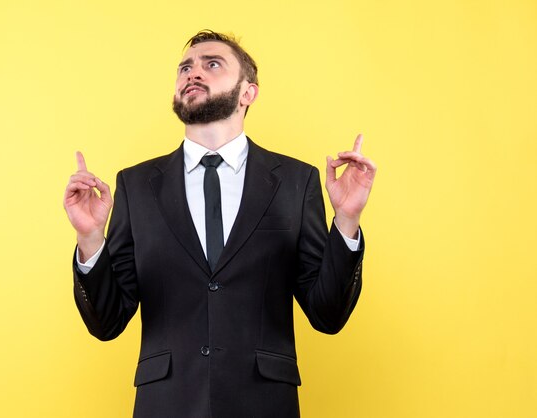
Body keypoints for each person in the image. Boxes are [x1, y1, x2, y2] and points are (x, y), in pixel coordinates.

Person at [63, 30, 376, 418]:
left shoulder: (297, 181)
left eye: (212, 64)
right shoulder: (136, 185)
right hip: (168, 404)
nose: (193, 73)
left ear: (248, 92)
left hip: (264, 404)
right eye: (185, 67)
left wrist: (346, 220)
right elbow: (107, 322)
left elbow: (327, 314)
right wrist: (91, 239)